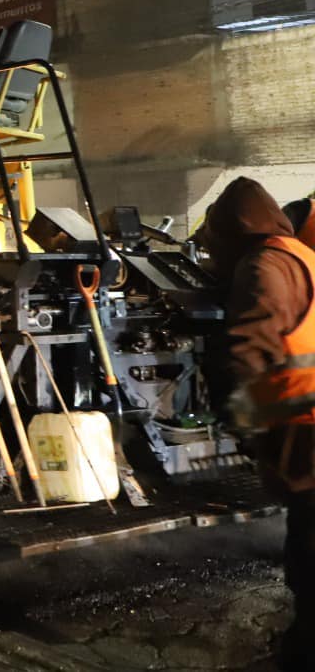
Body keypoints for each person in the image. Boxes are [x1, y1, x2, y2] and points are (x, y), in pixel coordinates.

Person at [202, 178, 315, 671]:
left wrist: (246, 430)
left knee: (310, 558)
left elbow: (251, 352)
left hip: (306, 431)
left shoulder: (262, 264)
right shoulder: (303, 254)